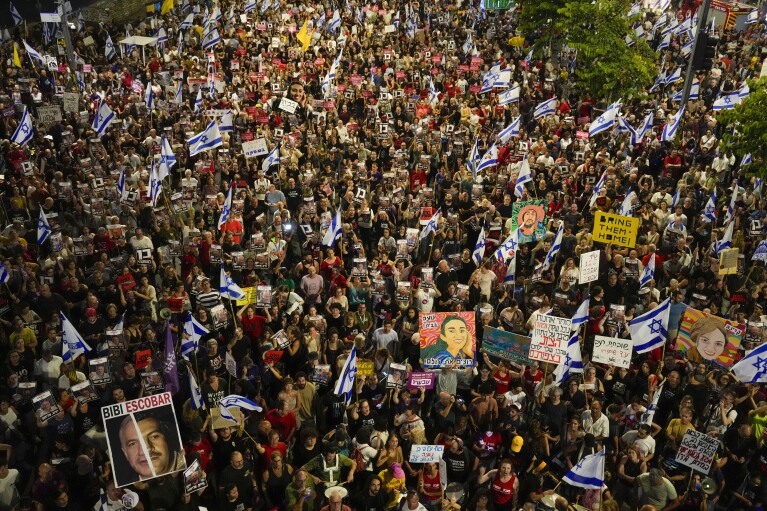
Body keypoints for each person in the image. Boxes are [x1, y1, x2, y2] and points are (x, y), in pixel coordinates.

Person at [118, 412, 184, 483]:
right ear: (125, 453)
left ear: (166, 438)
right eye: (133, 443)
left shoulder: (188, 463)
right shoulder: (132, 487)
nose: (146, 449)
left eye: (154, 437)